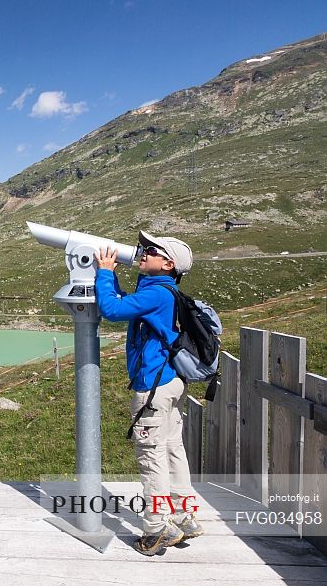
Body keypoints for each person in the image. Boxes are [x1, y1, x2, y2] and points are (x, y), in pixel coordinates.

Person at [94, 231, 204, 556]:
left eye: (151, 249)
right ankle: (184, 517)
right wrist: (111, 274)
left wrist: (101, 272)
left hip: (153, 388)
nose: (142, 251)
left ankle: (157, 529)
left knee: (151, 456)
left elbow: (111, 311)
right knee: (172, 450)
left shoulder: (157, 294)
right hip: (170, 382)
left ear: (168, 264)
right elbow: (122, 304)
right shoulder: (161, 291)